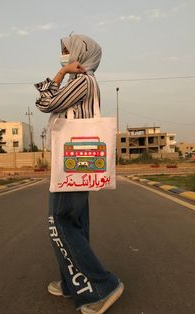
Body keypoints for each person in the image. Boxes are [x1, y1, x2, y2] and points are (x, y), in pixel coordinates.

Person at [35, 34, 124, 314]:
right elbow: (50, 101)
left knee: (59, 223)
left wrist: (60, 73)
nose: (63, 55)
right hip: (73, 164)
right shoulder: (82, 82)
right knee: (74, 223)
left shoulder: (83, 81)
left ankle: (103, 285)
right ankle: (73, 282)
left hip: (72, 165)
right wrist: (63, 75)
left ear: (80, 53)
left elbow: (45, 103)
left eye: (66, 51)